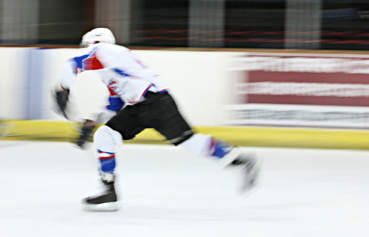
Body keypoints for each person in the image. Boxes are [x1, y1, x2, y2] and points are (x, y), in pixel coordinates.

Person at [54, 28, 259, 211]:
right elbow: (115, 104)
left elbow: (74, 63)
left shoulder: (106, 51)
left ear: (92, 43)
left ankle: (240, 161)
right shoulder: (109, 67)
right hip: (144, 105)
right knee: (105, 135)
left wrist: (63, 89)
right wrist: (93, 123)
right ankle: (108, 189)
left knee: (190, 142)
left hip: (155, 102)